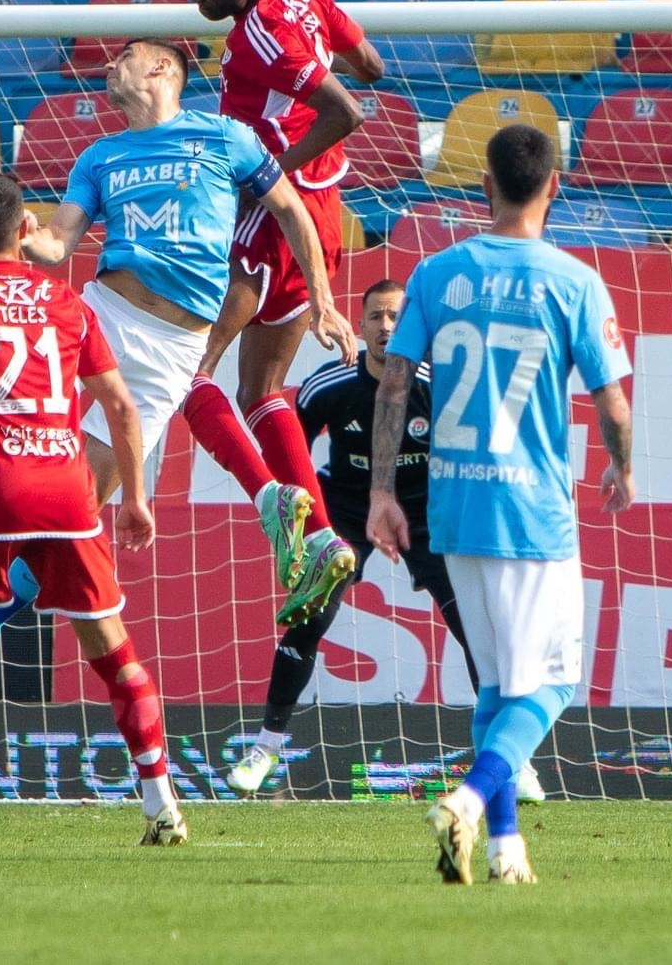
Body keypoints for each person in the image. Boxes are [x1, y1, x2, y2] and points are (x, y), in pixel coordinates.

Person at [369, 125, 636, 887]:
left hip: (454, 507)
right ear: (556, 186)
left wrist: (384, 491)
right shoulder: (573, 280)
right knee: (554, 685)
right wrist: (624, 467)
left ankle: (502, 852)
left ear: (482, 187)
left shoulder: (438, 271)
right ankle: (470, 799)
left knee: (496, 687)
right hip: (533, 512)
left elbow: (393, 383)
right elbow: (611, 403)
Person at [0, 172, 185, 849]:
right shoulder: (70, 303)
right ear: (27, 230)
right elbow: (119, 404)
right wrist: (133, 496)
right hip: (71, 490)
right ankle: (161, 801)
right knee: (113, 652)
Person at [23, 37, 361, 632]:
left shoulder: (225, 137)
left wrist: (324, 301)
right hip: (101, 314)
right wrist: (25, 238)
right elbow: (57, 244)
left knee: (77, 507)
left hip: (173, 348)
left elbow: (291, 209)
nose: (107, 68)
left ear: (158, 68)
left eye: (119, 59)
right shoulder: (99, 156)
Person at [226, 279, 545, 803]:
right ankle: (265, 748)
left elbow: (473, 456)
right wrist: (301, 525)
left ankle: (514, 757)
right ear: (360, 323)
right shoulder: (325, 385)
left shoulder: (436, 384)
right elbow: (291, 453)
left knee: (475, 627)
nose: (386, 327)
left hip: (424, 508)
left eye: (395, 316)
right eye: (375, 316)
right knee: (313, 613)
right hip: (346, 506)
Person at [179, 0, 385, 604]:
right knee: (261, 392)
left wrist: (269, 173)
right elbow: (372, 67)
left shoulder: (258, 33)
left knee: (188, 371)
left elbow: (347, 110)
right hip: (322, 221)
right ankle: (324, 537)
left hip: (271, 222)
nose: (196, 0)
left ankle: (270, 498)